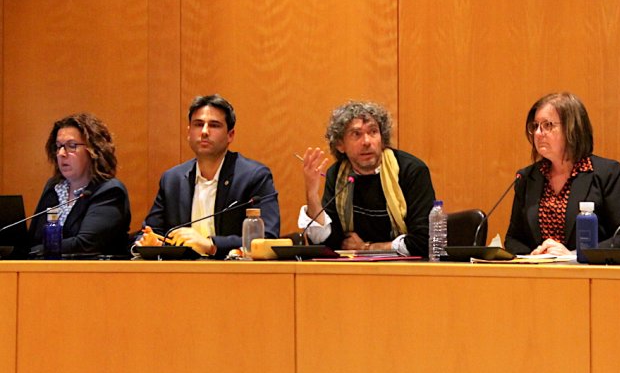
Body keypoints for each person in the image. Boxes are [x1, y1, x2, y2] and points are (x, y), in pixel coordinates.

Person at [137, 94, 280, 257]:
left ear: (230, 135)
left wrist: (211, 244)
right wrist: (150, 242)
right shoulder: (172, 180)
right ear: (189, 132)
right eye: (198, 124)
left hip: (234, 275)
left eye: (214, 125)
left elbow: (267, 238)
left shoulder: (253, 176)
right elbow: (149, 232)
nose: (204, 132)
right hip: (180, 275)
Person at [504, 92, 620, 256]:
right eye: (535, 126)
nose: (538, 133)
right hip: (538, 275)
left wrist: (575, 254)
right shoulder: (527, 177)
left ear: (572, 128)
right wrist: (536, 255)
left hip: (591, 274)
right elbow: (513, 239)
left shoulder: (606, 174)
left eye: (547, 125)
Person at [299, 101, 435, 256]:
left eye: (373, 132)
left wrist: (366, 248)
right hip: (355, 272)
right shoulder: (338, 175)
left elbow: (424, 242)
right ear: (340, 145)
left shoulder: (411, 171)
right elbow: (327, 242)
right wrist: (312, 193)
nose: (367, 142)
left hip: (408, 271)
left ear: (382, 139)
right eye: (356, 134)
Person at [29, 113, 131, 256]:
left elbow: (85, 244)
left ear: (94, 150)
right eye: (58, 147)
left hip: (93, 276)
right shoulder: (54, 188)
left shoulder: (110, 191)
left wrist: (38, 250)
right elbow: (33, 239)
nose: (61, 153)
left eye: (71, 146)